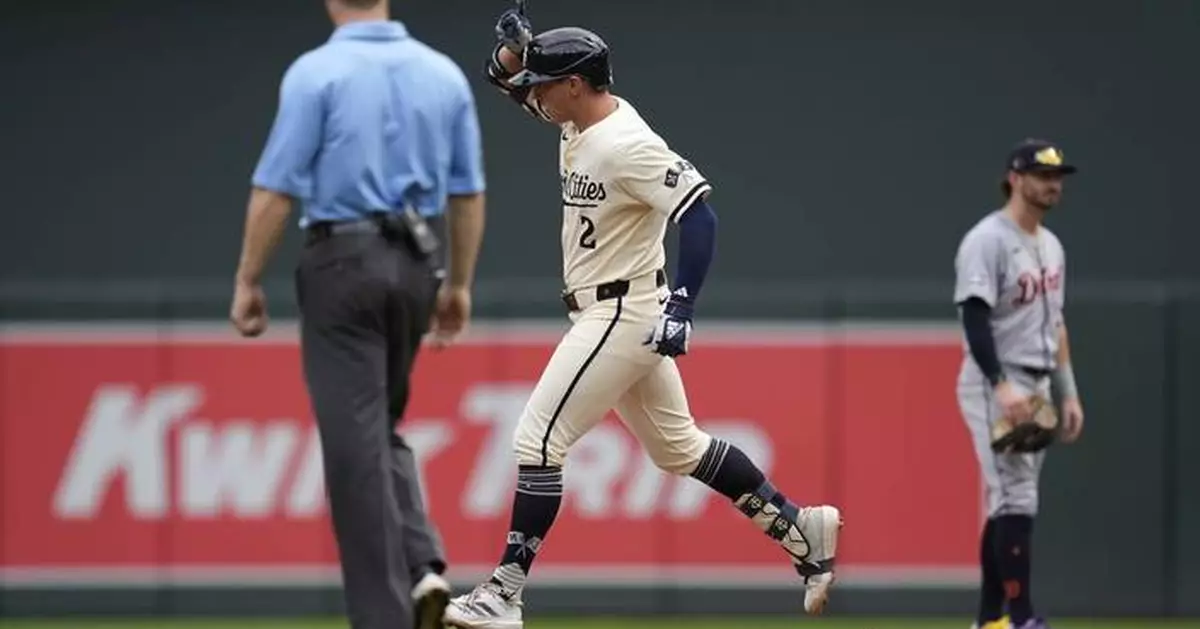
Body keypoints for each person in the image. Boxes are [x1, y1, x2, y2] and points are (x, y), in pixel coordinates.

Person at [443, 6, 842, 629]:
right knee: (679, 449)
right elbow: (516, 87)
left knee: (538, 439)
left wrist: (683, 305)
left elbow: (699, 212)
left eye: (545, 85)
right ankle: (801, 529)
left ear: (574, 84)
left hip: (624, 309)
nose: (536, 97)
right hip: (609, 306)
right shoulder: (576, 119)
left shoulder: (627, 143)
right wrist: (510, 61)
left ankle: (504, 592)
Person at [228, 1, 487, 628]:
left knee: (352, 452)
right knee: (377, 429)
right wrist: (458, 285)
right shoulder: (444, 73)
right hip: (417, 267)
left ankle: (384, 619)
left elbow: (276, 190)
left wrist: (247, 279)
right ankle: (422, 563)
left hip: (343, 263)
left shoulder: (317, 73)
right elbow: (467, 191)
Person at [953, 139, 1086, 629]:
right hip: (998, 380)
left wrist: (1067, 392)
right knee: (1016, 498)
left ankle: (990, 621)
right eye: (1042, 174)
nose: (1052, 184)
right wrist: (1000, 385)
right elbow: (974, 317)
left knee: (1004, 499)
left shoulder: (1052, 246)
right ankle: (1022, 616)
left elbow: (1058, 326)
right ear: (1015, 177)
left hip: (1039, 381)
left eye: (1057, 177)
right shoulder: (987, 240)